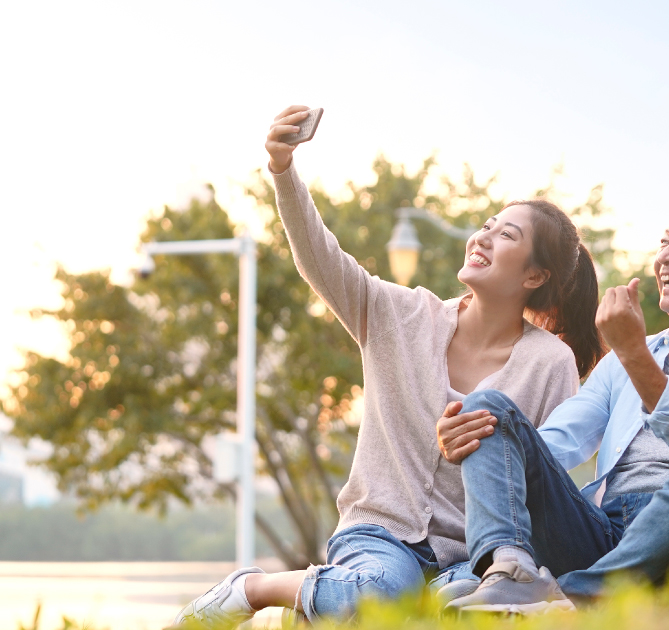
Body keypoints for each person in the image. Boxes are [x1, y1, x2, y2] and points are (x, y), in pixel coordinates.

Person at [172, 106, 604, 626]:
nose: (482, 238)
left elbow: (543, 481)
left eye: (506, 235)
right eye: (486, 226)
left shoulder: (549, 362)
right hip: (378, 535)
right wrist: (283, 170)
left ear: (535, 275)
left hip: (470, 554)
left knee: (468, 612)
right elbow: (320, 258)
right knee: (380, 592)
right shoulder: (399, 314)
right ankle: (255, 589)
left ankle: (323, 605)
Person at [435, 194, 669, 613]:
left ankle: (563, 596)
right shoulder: (623, 359)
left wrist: (635, 357)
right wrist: (491, 442)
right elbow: (555, 442)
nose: (665, 258)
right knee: (490, 407)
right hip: (606, 531)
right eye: (664, 243)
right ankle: (509, 572)